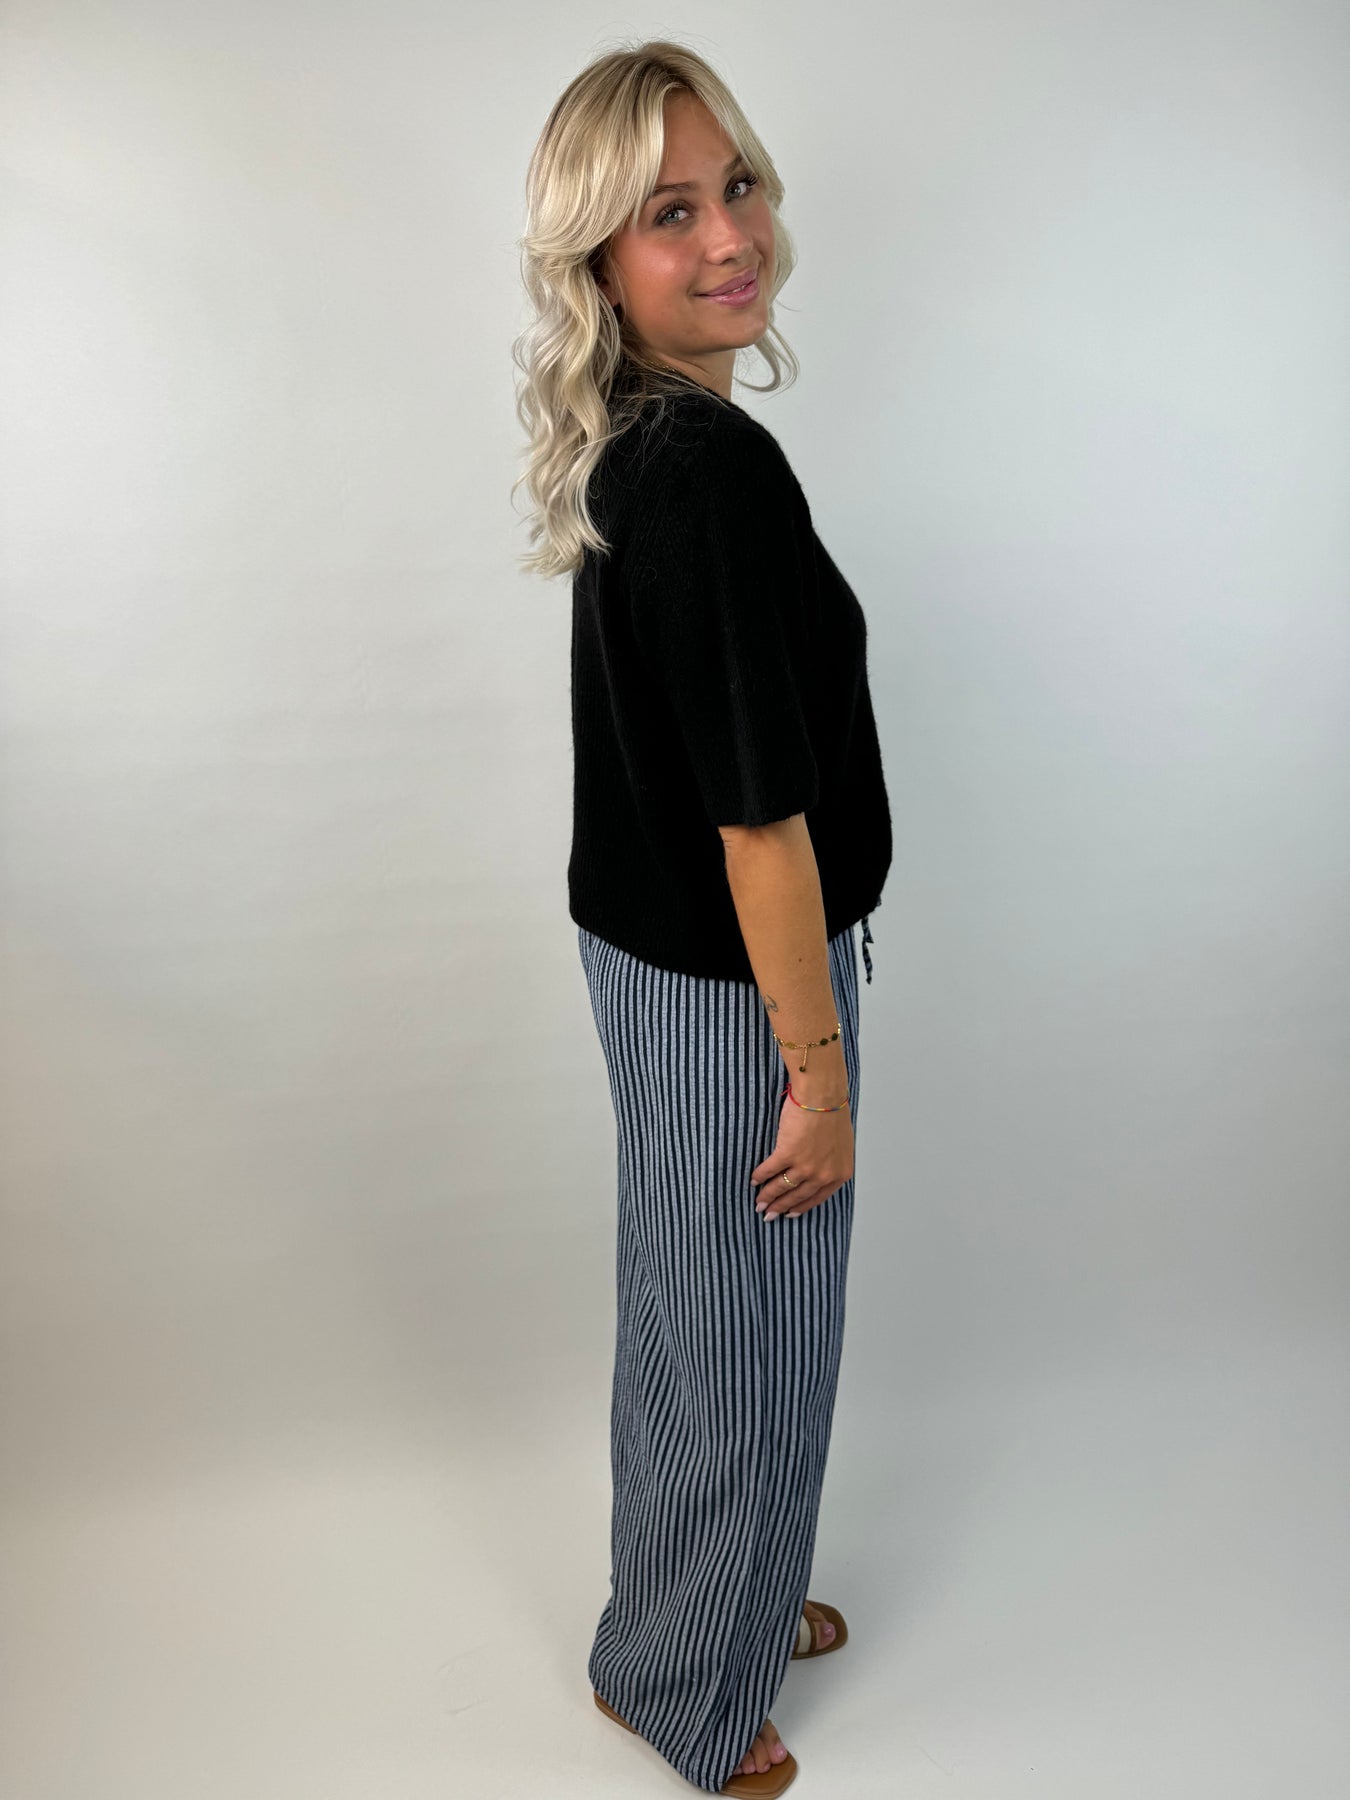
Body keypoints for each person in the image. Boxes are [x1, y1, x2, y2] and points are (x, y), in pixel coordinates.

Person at [512, 40, 892, 1798]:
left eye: (735, 186)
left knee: (698, 1309)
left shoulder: (653, 436)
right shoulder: (708, 473)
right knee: (745, 1332)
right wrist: (815, 1068)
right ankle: (683, 1684)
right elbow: (757, 817)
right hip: (734, 974)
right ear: (597, 255)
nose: (728, 234)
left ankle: (702, 1604)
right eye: (669, 212)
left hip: (656, 954)